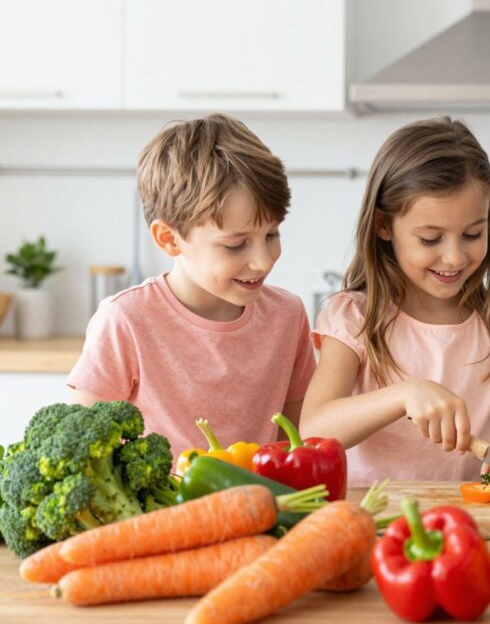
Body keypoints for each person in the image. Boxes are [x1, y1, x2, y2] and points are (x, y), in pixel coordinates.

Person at [300, 116, 490, 485]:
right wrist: (404, 395)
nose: (455, 257)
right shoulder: (354, 318)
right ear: (382, 225)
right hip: (375, 520)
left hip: (473, 520)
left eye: (473, 234)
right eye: (430, 239)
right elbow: (312, 432)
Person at [67, 114, 317, 457]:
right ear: (169, 239)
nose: (263, 260)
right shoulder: (126, 319)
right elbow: (78, 444)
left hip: (261, 507)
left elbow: (297, 442)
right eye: (236, 244)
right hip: (161, 511)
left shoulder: (287, 315)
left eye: (271, 234)